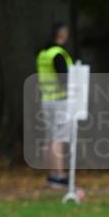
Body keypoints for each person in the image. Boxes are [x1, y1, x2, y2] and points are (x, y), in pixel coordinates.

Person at [36, 22, 79, 194]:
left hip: (46, 99)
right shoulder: (58, 54)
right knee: (59, 138)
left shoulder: (43, 53)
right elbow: (64, 79)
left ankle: (51, 174)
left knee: (50, 137)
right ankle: (59, 175)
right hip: (60, 100)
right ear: (63, 34)